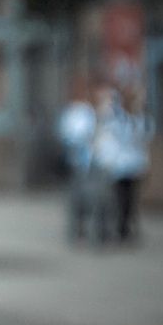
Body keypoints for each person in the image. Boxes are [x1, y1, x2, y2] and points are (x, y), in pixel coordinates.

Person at [93, 86, 151, 244]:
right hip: (117, 165)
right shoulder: (114, 118)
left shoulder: (139, 119)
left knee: (130, 199)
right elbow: (107, 140)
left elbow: (144, 138)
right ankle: (117, 228)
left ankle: (125, 228)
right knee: (118, 198)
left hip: (133, 164)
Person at [58, 83, 99, 242]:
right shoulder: (70, 112)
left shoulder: (89, 112)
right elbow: (65, 134)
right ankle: (77, 228)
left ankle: (88, 228)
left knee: (89, 197)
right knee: (75, 197)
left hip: (88, 163)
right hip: (74, 162)